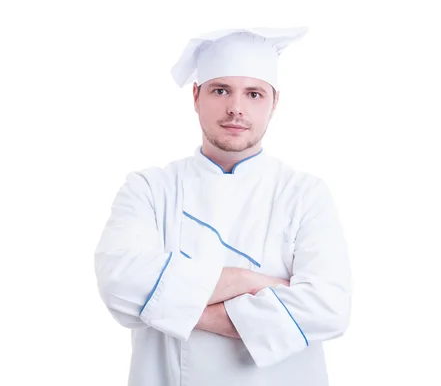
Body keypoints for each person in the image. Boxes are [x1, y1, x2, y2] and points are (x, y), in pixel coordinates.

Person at [94, 26, 352, 386]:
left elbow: (328, 309)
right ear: (196, 96)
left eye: (254, 94)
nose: (236, 108)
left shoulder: (305, 193)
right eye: (221, 90)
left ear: (274, 102)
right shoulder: (150, 190)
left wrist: (171, 306)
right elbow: (119, 283)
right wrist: (248, 282)